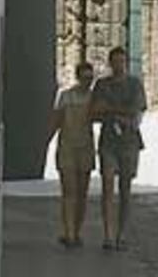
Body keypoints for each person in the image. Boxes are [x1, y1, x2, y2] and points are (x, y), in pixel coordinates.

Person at [90, 46, 147, 251]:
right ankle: (108, 234)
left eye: (122, 62)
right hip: (108, 142)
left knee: (125, 189)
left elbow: (136, 110)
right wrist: (119, 112)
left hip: (130, 142)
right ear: (110, 63)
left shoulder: (134, 84)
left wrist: (110, 109)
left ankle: (122, 234)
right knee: (107, 187)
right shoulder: (102, 85)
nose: (119, 66)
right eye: (115, 62)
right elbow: (94, 111)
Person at [47, 61, 95, 247]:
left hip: (86, 147)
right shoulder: (65, 96)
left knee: (82, 192)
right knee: (69, 191)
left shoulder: (93, 98)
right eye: (84, 78)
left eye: (90, 79)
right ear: (78, 77)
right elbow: (56, 120)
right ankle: (69, 233)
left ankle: (76, 230)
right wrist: (46, 141)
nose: (87, 82)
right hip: (67, 146)